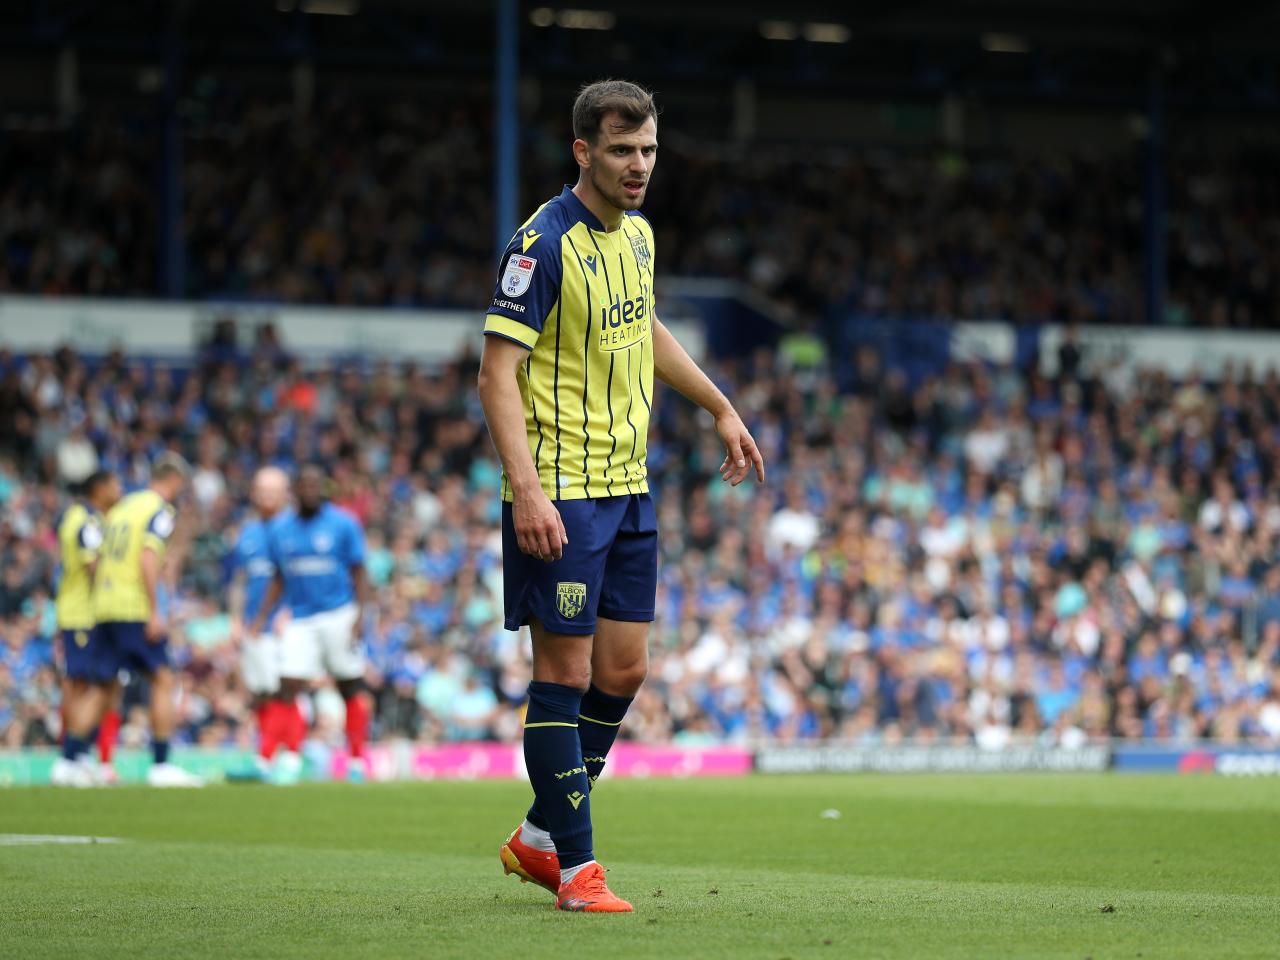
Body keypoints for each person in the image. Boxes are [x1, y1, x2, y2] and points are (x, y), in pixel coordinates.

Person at [478, 79, 765, 913]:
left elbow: (646, 331)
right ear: (583, 152)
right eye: (620, 151)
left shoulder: (636, 236)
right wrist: (525, 490)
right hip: (560, 495)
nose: (638, 166)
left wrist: (718, 405)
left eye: (646, 151)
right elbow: (498, 374)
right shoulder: (540, 244)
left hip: (629, 488)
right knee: (561, 678)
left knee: (625, 668)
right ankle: (577, 870)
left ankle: (536, 838)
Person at [251, 465, 372, 782]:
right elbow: (279, 576)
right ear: (295, 490)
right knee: (287, 683)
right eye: (302, 485)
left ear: (323, 489)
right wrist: (262, 615)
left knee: (349, 686)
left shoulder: (343, 524)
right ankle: (273, 760)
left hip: (338, 614)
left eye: (314, 485)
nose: (308, 490)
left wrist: (360, 614)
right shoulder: (281, 529)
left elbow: (360, 570)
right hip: (301, 617)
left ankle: (357, 761)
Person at [93, 454, 204, 787]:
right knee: (163, 679)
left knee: (106, 685)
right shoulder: (158, 510)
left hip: (105, 604)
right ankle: (160, 763)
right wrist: (155, 610)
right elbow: (147, 557)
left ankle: (86, 759)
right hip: (134, 605)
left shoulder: (123, 507)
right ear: (174, 480)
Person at [228, 466, 302, 781]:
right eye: (263, 489)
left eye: (274, 490)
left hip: (283, 623)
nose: (268, 496)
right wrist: (234, 618)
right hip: (253, 625)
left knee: (282, 691)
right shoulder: (247, 532)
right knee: (261, 693)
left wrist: (292, 611)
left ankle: (285, 758)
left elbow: (302, 575)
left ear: (286, 493)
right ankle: (269, 757)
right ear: (254, 493)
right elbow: (239, 579)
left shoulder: (295, 529)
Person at [50, 469, 122, 787]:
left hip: (81, 613)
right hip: (83, 615)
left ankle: (78, 756)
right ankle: (71, 758)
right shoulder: (85, 521)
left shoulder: (82, 517)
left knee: (96, 687)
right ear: (100, 487)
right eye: (114, 483)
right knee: (84, 688)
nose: (119, 488)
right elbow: (95, 566)